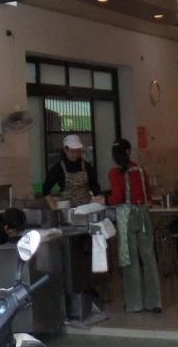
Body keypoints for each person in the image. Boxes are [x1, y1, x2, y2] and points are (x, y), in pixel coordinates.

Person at [107, 139, 162, 313]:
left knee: (129, 258)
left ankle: (134, 303)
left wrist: (105, 200)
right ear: (128, 152)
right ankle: (154, 302)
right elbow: (148, 194)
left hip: (126, 217)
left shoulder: (114, 173)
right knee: (148, 257)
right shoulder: (140, 169)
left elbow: (117, 198)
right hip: (143, 214)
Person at [40, 134, 103, 206]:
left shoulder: (87, 166)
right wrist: (53, 207)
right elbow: (46, 189)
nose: (75, 154)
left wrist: (99, 199)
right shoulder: (58, 168)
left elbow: (94, 186)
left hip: (86, 207)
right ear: (65, 150)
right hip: (67, 208)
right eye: (72, 151)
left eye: (78, 151)